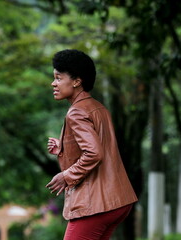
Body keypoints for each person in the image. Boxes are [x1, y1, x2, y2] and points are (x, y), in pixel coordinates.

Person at [46, 49, 137, 240]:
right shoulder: (98, 107)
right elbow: (100, 146)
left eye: (58, 78)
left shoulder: (76, 112)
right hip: (118, 200)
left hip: (95, 203)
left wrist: (66, 176)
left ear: (77, 81)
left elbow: (94, 153)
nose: (53, 83)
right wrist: (62, 148)